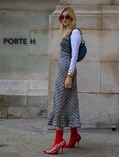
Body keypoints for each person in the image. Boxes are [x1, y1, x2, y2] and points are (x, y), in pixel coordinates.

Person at [43, 7, 82, 155]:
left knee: (59, 103)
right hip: (63, 72)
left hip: (67, 72)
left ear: (72, 18)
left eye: (67, 17)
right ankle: (74, 136)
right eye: (62, 17)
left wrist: (69, 75)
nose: (64, 19)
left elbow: (74, 56)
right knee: (70, 102)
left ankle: (58, 141)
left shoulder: (75, 33)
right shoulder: (66, 33)